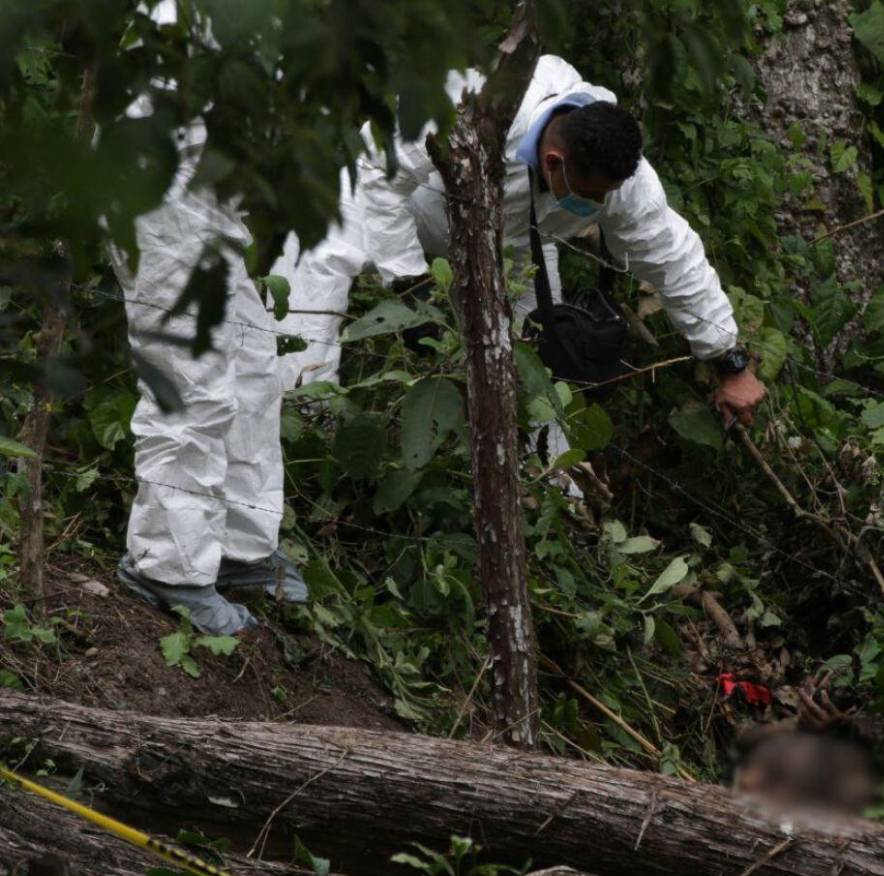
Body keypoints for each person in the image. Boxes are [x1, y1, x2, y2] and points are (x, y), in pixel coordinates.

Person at [277, 56, 766, 427]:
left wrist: (729, 360)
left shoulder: (620, 177)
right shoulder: (469, 99)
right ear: (553, 163)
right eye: (589, 195)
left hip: (508, 246)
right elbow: (378, 176)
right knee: (320, 256)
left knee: (532, 359)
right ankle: (304, 419)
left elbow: (672, 256)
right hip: (396, 203)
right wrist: (410, 282)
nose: (595, 206)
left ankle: (546, 482)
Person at [108, 1, 307, 636]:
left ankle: (243, 549)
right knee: (191, 380)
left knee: (252, 365)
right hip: (156, 189)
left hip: (206, 193)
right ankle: (168, 565)